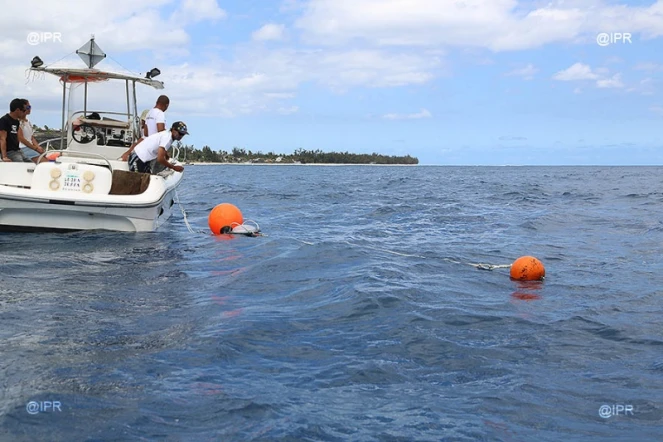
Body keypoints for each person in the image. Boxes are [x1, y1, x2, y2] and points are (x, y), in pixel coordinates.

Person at [18, 99, 46, 163]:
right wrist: (35, 148)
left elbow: (31, 137)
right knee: (45, 163)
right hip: (23, 148)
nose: (30, 109)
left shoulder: (28, 122)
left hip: (30, 147)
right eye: (28, 107)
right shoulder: (18, 122)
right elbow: (21, 139)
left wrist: (38, 147)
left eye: (30, 107)